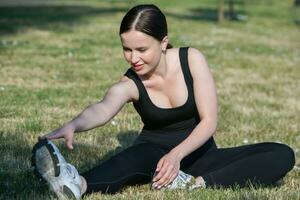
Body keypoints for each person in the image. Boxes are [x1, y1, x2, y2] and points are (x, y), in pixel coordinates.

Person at [31, 4, 295, 199]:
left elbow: (210, 121)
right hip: (152, 154)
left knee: (282, 154)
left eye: (142, 49)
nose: (133, 58)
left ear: (164, 43)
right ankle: (75, 183)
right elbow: (103, 108)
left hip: (200, 155)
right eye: (126, 48)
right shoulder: (131, 83)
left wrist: (176, 156)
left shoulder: (192, 60)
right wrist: (74, 125)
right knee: (129, 160)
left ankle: (194, 184)